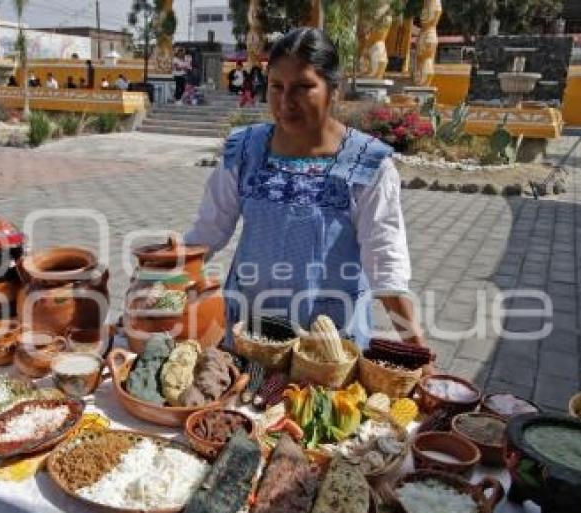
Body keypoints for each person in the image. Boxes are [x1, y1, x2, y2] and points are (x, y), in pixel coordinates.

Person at [184, 27, 430, 362]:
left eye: (303, 87)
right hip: (251, 331)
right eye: (276, 86)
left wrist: (415, 345)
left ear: (333, 91)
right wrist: (163, 282)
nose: (286, 102)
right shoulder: (245, 150)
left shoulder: (367, 164)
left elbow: (384, 260)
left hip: (329, 344)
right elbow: (208, 231)